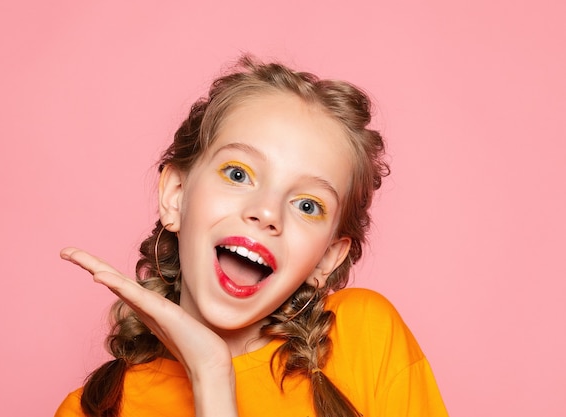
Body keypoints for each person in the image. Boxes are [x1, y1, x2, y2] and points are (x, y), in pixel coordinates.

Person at [55, 56, 448, 417]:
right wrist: (208, 371)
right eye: (238, 174)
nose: (266, 213)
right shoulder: (95, 408)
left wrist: (213, 381)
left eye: (307, 205)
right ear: (176, 196)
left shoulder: (365, 338)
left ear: (328, 258)